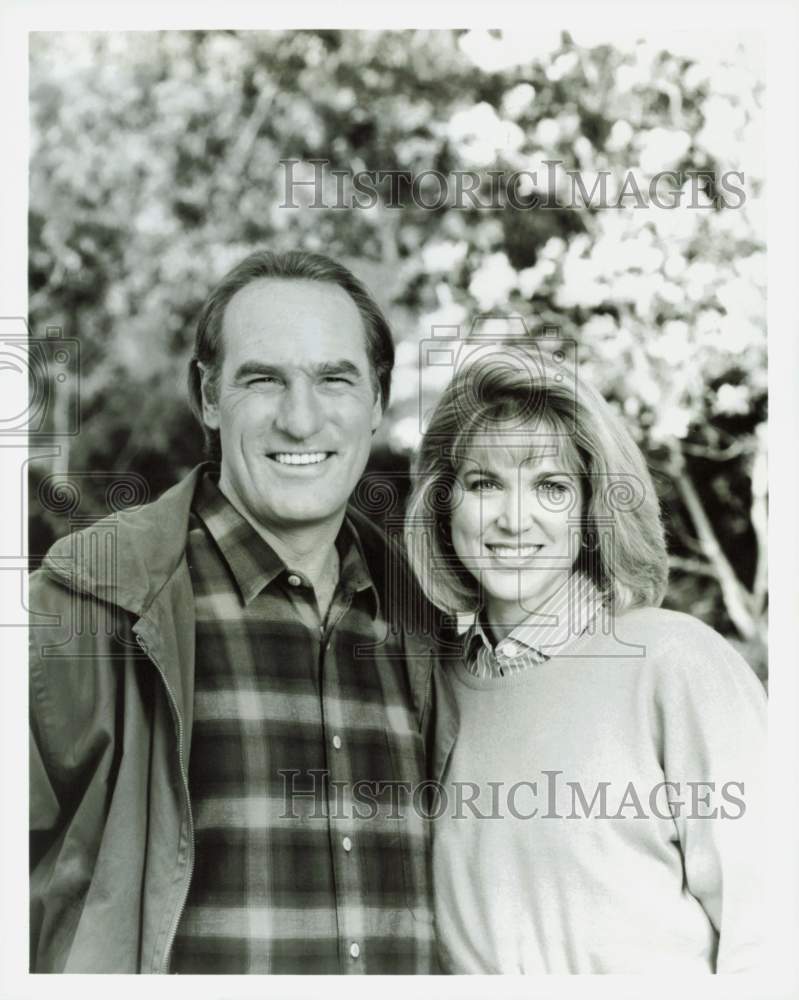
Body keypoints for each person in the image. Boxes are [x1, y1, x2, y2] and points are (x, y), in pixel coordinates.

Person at [29, 249, 438, 974]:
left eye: (334, 380)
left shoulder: (423, 623)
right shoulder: (84, 607)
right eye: (262, 380)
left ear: (377, 402)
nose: (300, 418)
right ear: (208, 396)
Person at [405, 349, 767, 974]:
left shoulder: (675, 663)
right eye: (483, 483)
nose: (513, 520)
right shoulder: (429, 688)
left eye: (550, 486)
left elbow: (772, 929)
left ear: (592, 509)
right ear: (443, 506)